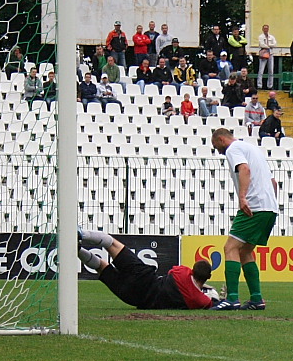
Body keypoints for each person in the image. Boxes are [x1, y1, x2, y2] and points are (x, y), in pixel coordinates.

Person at [209, 128, 278, 310]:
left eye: (216, 146)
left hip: (254, 206)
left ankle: (231, 298)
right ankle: (256, 299)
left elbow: (244, 169)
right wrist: (270, 203)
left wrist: (242, 197)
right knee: (245, 251)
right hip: (269, 207)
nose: (218, 151)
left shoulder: (233, 149)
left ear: (222, 139)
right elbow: (273, 182)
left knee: (230, 247)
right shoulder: (253, 149)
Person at [78, 229, 215, 309]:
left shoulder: (183, 272)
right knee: (102, 267)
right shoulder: (197, 299)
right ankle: (76, 249)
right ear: (207, 277)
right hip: (134, 298)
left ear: (192, 269)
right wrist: (212, 292)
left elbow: (171, 272)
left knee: (112, 244)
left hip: (143, 278)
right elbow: (209, 303)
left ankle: (81, 234)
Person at [258, 24, 277, 89]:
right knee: (261, 70)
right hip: (264, 54)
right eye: (264, 28)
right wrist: (269, 46)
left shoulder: (271, 37)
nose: (266, 29)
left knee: (271, 70)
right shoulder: (261, 36)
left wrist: (269, 45)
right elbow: (261, 44)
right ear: (262, 29)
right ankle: (259, 85)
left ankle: (270, 85)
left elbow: (275, 44)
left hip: (271, 54)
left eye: (267, 28)